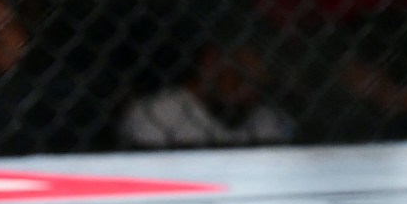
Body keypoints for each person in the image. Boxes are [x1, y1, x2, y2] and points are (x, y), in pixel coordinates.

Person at [120, 39, 295, 149]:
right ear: (211, 62)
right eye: (240, 79)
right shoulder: (157, 113)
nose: (248, 94)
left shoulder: (269, 120)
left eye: (258, 85)